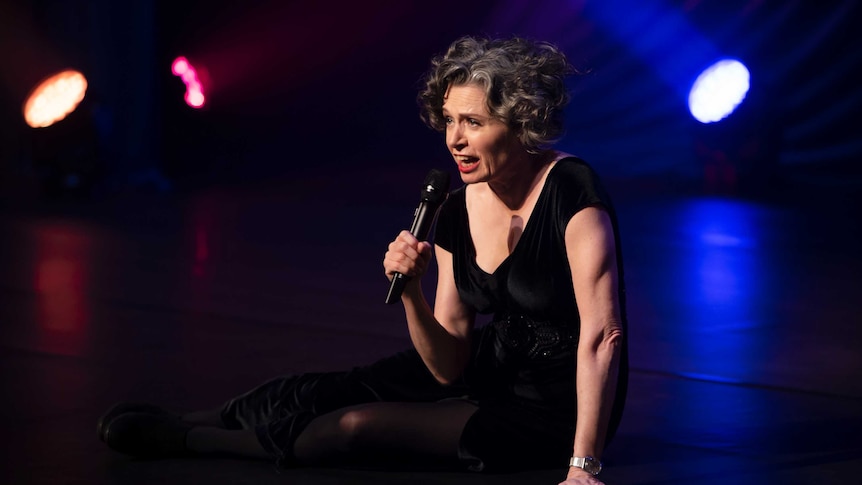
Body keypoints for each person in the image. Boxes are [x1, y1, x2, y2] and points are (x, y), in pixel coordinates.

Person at [98, 35, 628, 485]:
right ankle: (199, 416)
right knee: (341, 386)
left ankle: (197, 440)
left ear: (519, 122)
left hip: (556, 409)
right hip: (491, 363)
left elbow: (602, 336)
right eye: (448, 120)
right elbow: (447, 365)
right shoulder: (454, 208)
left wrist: (584, 464)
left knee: (356, 426)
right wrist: (413, 292)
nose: (455, 140)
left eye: (473, 122)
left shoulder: (570, 191)